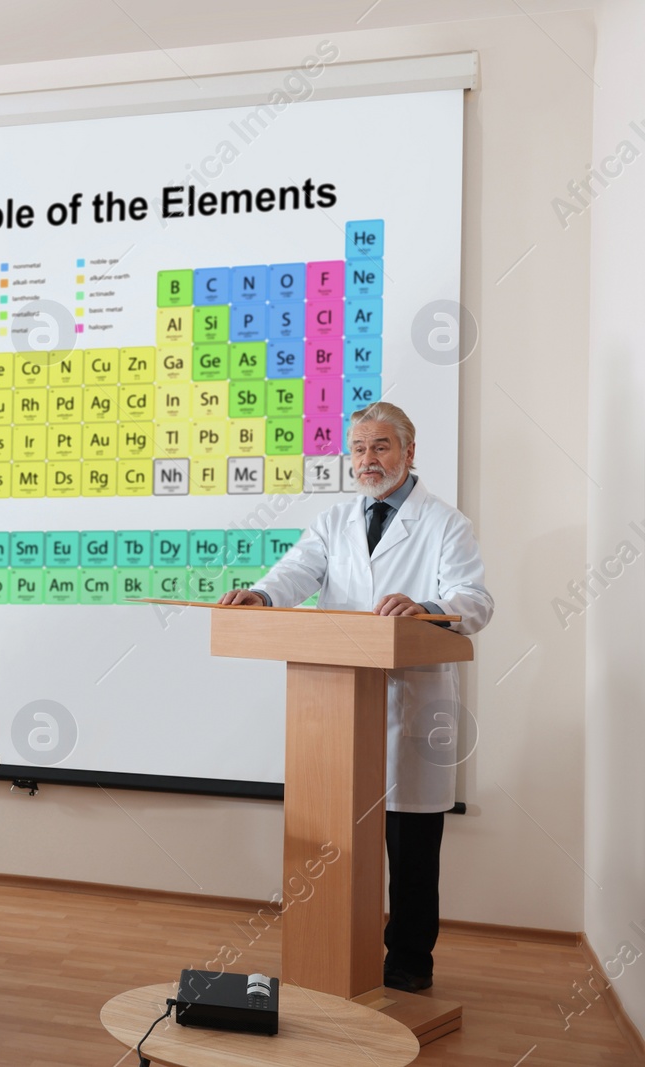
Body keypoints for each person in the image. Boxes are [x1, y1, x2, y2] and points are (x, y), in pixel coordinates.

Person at [219, 401, 493, 993]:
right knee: (335, 843)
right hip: (338, 715)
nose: (369, 460)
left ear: (409, 452)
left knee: (412, 850)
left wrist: (429, 610)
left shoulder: (446, 523)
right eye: (360, 449)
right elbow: (295, 572)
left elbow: (475, 599)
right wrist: (263, 598)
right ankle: (334, 955)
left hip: (410, 707)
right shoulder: (333, 521)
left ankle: (410, 965)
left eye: (381, 447)